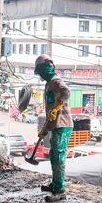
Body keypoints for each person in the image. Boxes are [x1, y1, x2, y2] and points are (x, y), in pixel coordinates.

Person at [35, 54, 73, 195]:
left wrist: (58, 105)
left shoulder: (56, 81)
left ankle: (60, 190)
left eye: (40, 72)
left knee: (58, 155)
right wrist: (45, 127)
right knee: (53, 154)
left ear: (45, 69)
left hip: (63, 124)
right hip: (56, 124)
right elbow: (50, 110)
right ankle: (56, 183)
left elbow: (66, 91)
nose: (40, 75)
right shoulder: (49, 84)